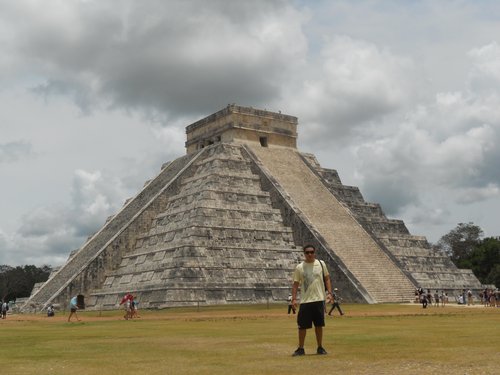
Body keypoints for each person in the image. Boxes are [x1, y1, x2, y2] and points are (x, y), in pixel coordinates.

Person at [291, 244, 332, 356]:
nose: (310, 254)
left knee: (319, 325)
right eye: (307, 252)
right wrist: (294, 299)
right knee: (302, 326)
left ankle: (320, 347)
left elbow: (327, 278)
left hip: (319, 299)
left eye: (311, 252)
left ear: (315, 253)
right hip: (305, 300)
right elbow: (295, 284)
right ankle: (301, 348)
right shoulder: (300, 267)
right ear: (304, 254)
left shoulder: (321, 264)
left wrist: (329, 293)